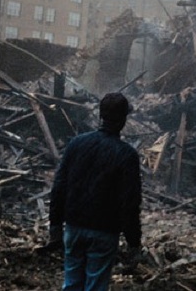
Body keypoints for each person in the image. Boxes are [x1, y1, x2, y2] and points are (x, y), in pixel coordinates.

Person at [49, 92, 143, 291]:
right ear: (124, 120)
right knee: (95, 287)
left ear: (101, 116)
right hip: (104, 232)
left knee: (72, 284)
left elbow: (59, 186)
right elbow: (130, 203)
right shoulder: (127, 155)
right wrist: (134, 243)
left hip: (73, 227)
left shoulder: (76, 144)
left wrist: (55, 225)